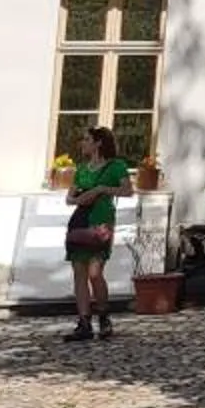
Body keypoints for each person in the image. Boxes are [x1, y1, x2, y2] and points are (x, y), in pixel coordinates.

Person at [62, 125, 133, 342]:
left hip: (101, 221)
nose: (82, 143)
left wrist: (101, 190)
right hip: (80, 222)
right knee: (79, 272)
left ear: (98, 142)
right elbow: (69, 198)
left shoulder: (116, 166)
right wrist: (80, 199)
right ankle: (84, 322)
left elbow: (128, 190)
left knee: (95, 271)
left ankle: (103, 315)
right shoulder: (82, 169)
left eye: (86, 139)